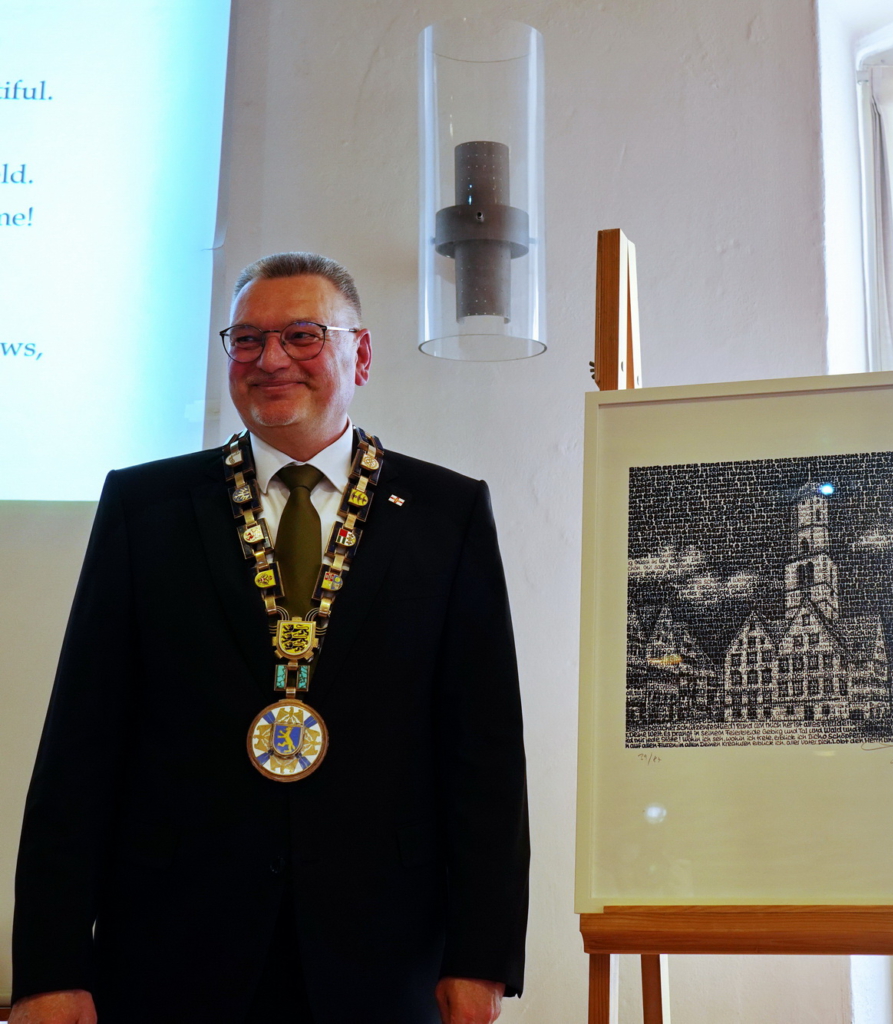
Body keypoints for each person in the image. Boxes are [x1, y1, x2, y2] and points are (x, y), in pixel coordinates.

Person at [11, 253, 530, 1024]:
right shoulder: (145, 507)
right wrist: (48, 967)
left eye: (302, 335)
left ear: (360, 353)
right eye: (247, 339)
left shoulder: (444, 514)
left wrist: (481, 959)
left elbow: (483, 755)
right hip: (172, 946)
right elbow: (81, 744)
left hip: (383, 951)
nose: (271, 359)